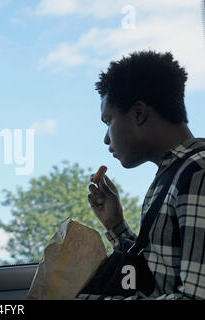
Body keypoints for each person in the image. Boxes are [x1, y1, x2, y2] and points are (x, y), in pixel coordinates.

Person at [84, 50, 205, 300]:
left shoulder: (197, 174)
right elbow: (157, 274)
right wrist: (117, 226)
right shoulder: (170, 174)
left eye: (108, 121)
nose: (106, 138)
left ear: (138, 113)